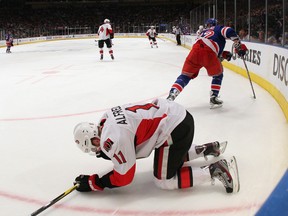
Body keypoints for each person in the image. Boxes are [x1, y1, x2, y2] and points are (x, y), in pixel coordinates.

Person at [73, 98, 240, 193]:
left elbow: (125, 176)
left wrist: (94, 183)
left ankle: (213, 170)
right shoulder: (106, 117)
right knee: (168, 157)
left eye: (94, 147)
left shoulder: (113, 139)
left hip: (174, 128)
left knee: (164, 180)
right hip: (177, 116)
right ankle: (206, 148)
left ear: (95, 139)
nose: (97, 150)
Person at [167, 18, 248, 108]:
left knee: (185, 76)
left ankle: (172, 95)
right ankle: (213, 97)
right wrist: (238, 44)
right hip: (208, 53)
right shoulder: (218, 28)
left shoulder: (203, 32)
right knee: (218, 75)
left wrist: (223, 54)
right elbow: (229, 30)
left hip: (194, 52)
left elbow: (210, 47)